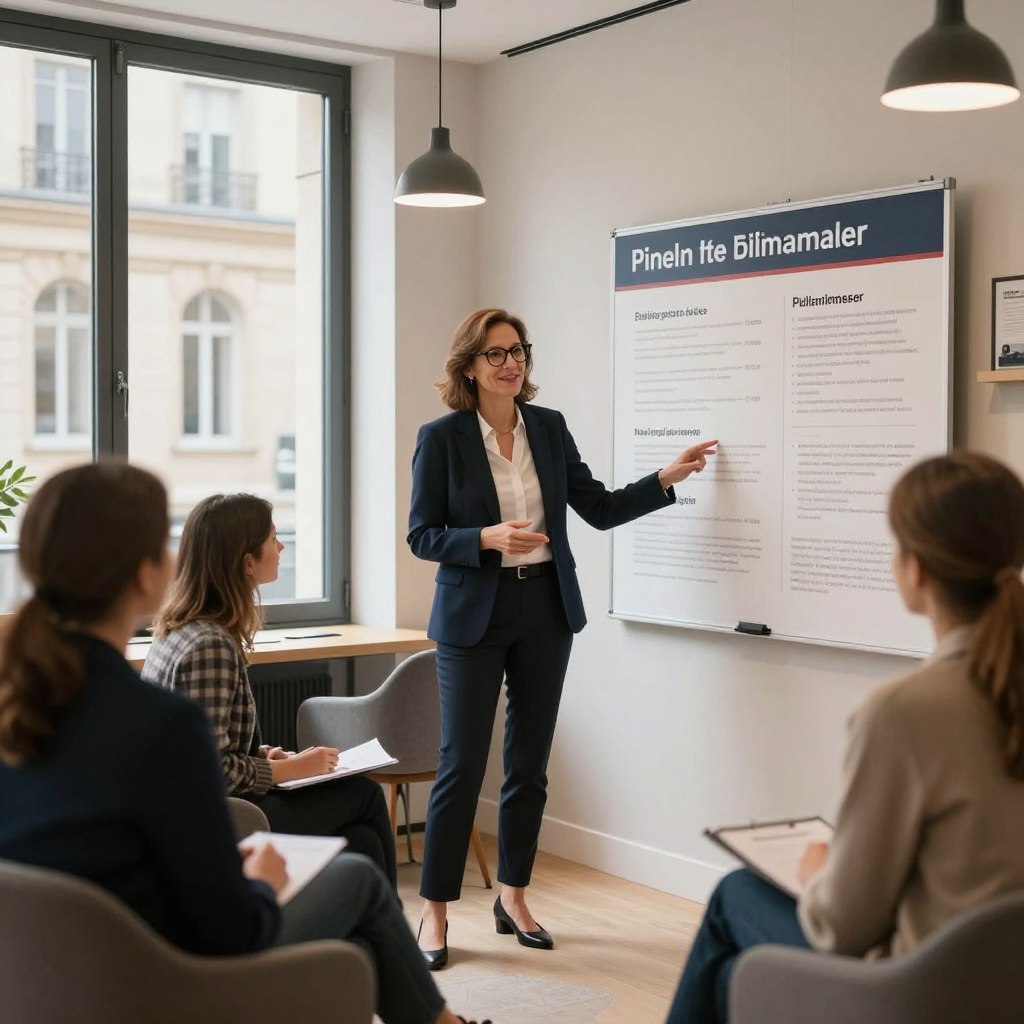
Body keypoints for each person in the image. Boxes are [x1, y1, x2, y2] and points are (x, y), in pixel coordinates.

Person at [0, 463, 490, 1024]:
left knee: (356, 840)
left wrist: (261, 768)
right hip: (161, 981)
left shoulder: (23, 708)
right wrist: (260, 881)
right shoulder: (160, 722)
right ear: (144, 574)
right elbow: (232, 926)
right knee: (356, 876)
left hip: (57, 984)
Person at [665, 450, 1024, 1024]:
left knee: (735, 896)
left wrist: (816, 873)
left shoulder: (903, 713)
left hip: (922, 991)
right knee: (736, 980)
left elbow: (843, 927)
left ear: (917, 568)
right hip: (1005, 986)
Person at [409, 307, 717, 968]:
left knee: (529, 764)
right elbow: (421, 534)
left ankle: (513, 896)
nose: (511, 362)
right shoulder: (442, 439)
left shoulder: (546, 429)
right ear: (469, 366)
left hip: (545, 606)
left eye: (517, 350)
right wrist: (485, 540)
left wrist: (665, 478)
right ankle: (433, 914)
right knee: (461, 764)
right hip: (472, 615)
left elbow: (598, 507)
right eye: (495, 354)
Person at [142, 493, 397, 887]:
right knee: (364, 795)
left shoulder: (182, 630)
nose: (280, 547)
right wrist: (291, 769)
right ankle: (390, 941)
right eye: (273, 538)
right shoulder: (209, 644)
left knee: (359, 840)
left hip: (199, 808)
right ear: (247, 562)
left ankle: (368, 939)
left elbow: (205, 746)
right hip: (216, 817)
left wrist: (264, 754)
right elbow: (210, 771)